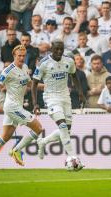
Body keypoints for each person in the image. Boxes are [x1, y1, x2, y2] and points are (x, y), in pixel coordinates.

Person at [0, 45, 43, 169]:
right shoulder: (8, 70)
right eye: (19, 56)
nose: (22, 58)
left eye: (23, 56)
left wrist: (44, 86)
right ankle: (16, 150)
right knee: (38, 128)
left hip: (15, 106)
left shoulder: (25, 67)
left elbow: (29, 83)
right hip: (12, 107)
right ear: (14, 56)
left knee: (6, 136)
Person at [32, 39, 84, 170]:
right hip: (51, 97)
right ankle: (72, 157)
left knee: (66, 130)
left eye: (61, 49)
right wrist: (35, 103)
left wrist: (80, 93)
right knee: (62, 125)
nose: (59, 51)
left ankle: (43, 142)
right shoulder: (43, 63)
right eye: (57, 49)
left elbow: (74, 76)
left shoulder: (69, 61)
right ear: (51, 49)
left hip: (65, 97)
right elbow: (34, 83)